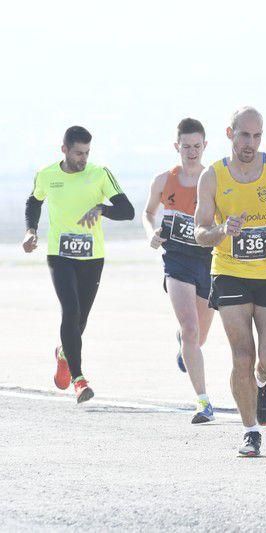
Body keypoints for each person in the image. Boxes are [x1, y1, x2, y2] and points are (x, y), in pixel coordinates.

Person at [195, 107, 266, 456]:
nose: (250, 142)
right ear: (229, 134)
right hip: (229, 270)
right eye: (244, 135)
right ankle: (250, 431)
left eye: (257, 135)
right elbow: (201, 232)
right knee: (242, 355)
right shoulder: (212, 176)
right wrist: (220, 230)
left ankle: (263, 382)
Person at [22, 126, 134, 403]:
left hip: (92, 257)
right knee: (70, 310)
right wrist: (31, 231)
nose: (83, 158)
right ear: (64, 150)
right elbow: (33, 202)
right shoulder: (47, 174)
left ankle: (63, 354)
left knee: (80, 320)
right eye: (77, 153)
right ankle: (79, 379)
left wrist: (102, 209)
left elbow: (127, 210)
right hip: (59, 254)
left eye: (86, 153)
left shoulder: (100, 173)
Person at [142, 118, 216, 424]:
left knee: (199, 336)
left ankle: (185, 345)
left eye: (197, 146)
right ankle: (203, 402)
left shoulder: (213, 181)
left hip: (208, 261)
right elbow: (147, 213)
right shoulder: (163, 180)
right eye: (186, 146)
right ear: (177, 147)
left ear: (205, 146)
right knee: (190, 329)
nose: (192, 152)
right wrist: (150, 233)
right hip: (177, 261)